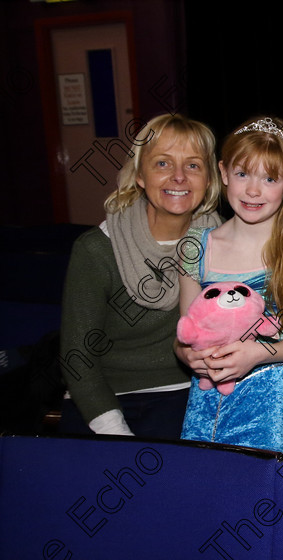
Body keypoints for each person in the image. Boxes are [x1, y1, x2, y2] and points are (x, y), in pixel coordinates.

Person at [59, 113, 222, 439]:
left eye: (192, 165)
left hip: (186, 392)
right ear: (140, 176)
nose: (178, 177)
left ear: (209, 180)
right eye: (163, 164)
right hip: (105, 398)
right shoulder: (97, 250)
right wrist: (115, 432)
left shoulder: (222, 242)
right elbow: (77, 361)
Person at [176, 116, 283, 453]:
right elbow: (183, 334)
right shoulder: (196, 246)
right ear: (224, 173)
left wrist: (257, 353)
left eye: (270, 178)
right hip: (206, 402)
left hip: (275, 407)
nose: (253, 190)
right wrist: (189, 355)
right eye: (243, 174)